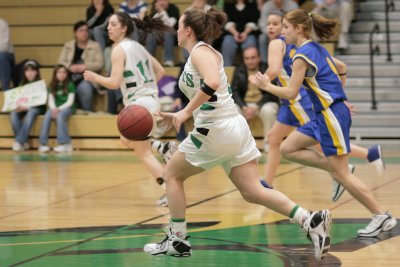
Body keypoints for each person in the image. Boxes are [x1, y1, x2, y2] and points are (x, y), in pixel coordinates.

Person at [143, 7, 332, 261]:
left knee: (171, 175)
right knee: (253, 191)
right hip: (231, 128)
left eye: (178, 26)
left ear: (187, 30)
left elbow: (211, 83)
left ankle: (178, 240)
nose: (176, 30)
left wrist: (185, 113)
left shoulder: (200, 52)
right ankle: (310, 219)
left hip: (217, 129)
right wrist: (182, 115)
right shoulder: (197, 54)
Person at [249, 9, 397, 237]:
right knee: (288, 148)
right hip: (325, 114)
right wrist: (341, 97)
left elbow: (290, 92)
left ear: (298, 29)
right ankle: (337, 168)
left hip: (329, 115)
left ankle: (381, 216)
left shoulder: (301, 56)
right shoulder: (316, 48)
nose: (283, 32)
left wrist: (266, 85)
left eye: (286, 27)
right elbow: (342, 69)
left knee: (342, 176)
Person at [83, 12, 177, 206]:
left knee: (142, 152)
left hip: (138, 104)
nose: (108, 28)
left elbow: (115, 82)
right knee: (126, 139)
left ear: (124, 28)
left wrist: (95, 77)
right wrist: (147, 88)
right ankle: (162, 146)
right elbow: (161, 71)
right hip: (151, 100)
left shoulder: (118, 49)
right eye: (108, 25)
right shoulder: (139, 47)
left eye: (113, 24)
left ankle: (169, 190)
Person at [231, 46, 279, 151]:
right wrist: (244, 107)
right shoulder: (239, 70)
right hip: (245, 105)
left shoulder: (266, 69)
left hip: (262, 104)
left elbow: (272, 93)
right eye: (247, 58)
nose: (250, 61)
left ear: (259, 57)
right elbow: (234, 93)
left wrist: (256, 107)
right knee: (232, 110)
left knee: (269, 110)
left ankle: (269, 145)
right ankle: (241, 147)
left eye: (253, 58)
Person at [58, 20, 103, 112]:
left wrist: (85, 66)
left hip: (87, 79)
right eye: (81, 30)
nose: (84, 33)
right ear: (75, 33)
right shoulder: (68, 45)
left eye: (86, 30)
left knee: (84, 88)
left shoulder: (95, 46)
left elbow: (99, 64)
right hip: (69, 77)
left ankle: (88, 114)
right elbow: (60, 62)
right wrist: (69, 67)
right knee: (60, 86)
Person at [38, 65, 76, 153]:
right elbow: (50, 100)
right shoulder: (51, 85)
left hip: (67, 107)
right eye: (59, 72)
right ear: (55, 74)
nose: (62, 74)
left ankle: (63, 143)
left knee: (60, 116)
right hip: (55, 107)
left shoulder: (70, 84)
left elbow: (70, 102)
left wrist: (58, 109)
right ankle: (42, 144)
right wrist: (54, 108)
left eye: (64, 72)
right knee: (47, 116)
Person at [10, 60, 46, 152]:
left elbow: (41, 103)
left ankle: (19, 141)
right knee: (13, 113)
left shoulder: (41, 84)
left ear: (36, 72)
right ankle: (24, 142)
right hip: (24, 108)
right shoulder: (22, 84)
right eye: (27, 71)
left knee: (30, 112)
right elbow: (19, 99)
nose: (29, 73)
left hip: (37, 108)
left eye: (32, 71)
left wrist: (27, 107)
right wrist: (18, 106)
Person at [258, 0, 298, 64]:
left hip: (288, 32)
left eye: (274, 24)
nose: (270, 26)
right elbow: (263, 24)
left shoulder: (292, 5)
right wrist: (271, 33)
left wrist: (283, 32)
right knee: (262, 38)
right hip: (269, 33)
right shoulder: (266, 6)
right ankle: (264, 63)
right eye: (269, 24)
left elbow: (295, 23)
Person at [221, 0, 260, 66]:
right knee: (227, 43)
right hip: (231, 33)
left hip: (249, 33)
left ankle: (251, 71)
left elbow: (254, 21)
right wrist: (235, 33)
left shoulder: (252, 4)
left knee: (250, 43)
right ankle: (227, 70)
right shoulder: (227, 5)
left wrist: (245, 33)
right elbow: (226, 22)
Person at [146, 0, 180, 67]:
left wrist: (162, 11)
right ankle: (149, 61)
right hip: (158, 34)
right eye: (159, 1)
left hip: (173, 34)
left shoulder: (173, 9)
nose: (162, 3)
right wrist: (157, 12)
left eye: (164, 0)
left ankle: (168, 60)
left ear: (168, 1)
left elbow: (170, 25)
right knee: (151, 34)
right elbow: (151, 26)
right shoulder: (154, 10)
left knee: (168, 32)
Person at [0, 18, 15, 91]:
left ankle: (6, 89)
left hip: (6, 55)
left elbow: (3, 47)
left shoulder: (2, 23)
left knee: (1, 57)